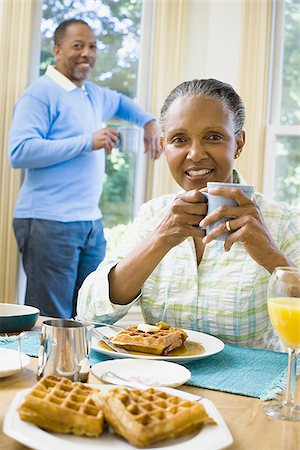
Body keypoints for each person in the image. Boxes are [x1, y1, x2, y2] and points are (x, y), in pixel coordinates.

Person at [77, 78, 300, 351]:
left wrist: (270, 256)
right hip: (162, 387)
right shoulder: (153, 216)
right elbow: (90, 311)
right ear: (164, 146)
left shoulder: (284, 222)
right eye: (179, 140)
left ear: (239, 143)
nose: (195, 154)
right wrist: (160, 239)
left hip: (250, 391)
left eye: (213, 137)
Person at [8, 18, 161, 319]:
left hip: (89, 224)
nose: (86, 53)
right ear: (57, 50)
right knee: (51, 320)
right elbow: (19, 151)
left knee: (88, 315)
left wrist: (149, 122)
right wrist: (86, 141)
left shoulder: (92, 94)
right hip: (47, 222)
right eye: (77, 46)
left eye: (92, 47)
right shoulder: (40, 93)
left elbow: (123, 103)